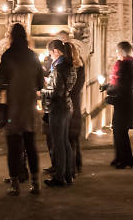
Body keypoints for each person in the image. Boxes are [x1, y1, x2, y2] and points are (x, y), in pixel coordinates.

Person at [0, 23, 44, 196]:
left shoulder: (8, 56)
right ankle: (35, 183)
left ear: (12, 37)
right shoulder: (33, 56)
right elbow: (41, 83)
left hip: (13, 109)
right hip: (29, 109)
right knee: (31, 147)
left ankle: (15, 184)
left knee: (13, 148)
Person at [43, 40, 76, 187]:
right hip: (67, 106)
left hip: (58, 108)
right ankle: (69, 174)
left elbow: (56, 91)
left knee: (58, 143)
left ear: (56, 51)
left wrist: (43, 90)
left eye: (50, 53)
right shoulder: (70, 65)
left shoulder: (58, 68)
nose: (50, 56)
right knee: (65, 141)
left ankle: (60, 177)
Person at [106, 41, 133, 169]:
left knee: (121, 132)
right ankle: (120, 157)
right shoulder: (124, 65)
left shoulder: (126, 66)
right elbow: (118, 83)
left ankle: (126, 160)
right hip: (122, 103)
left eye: (117, 51)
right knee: (117, 131)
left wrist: (111, 93)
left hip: (124, 103)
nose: (116, 53)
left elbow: (123, 86)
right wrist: (108, 87)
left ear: (122, 52)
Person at [67, 42, 85, 174]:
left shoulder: (69, 67)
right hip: (76, 102)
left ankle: (71, 167)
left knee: (69, 137)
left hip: (69, 103)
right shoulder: (80, 65)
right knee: (74, 136)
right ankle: (77, 162)